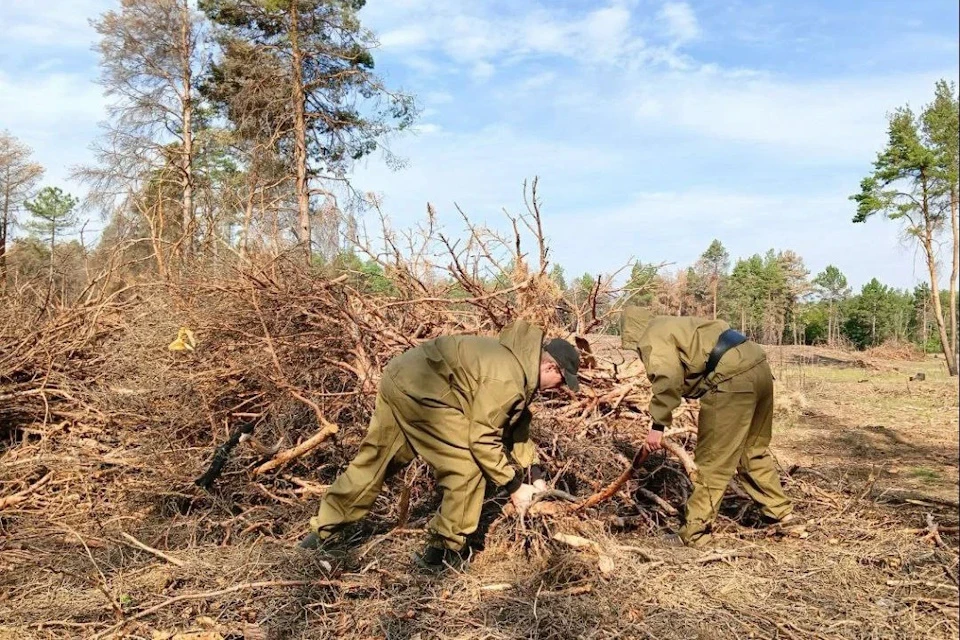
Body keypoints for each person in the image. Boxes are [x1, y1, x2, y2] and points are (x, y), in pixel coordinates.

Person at [300, 320, 580, 571]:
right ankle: (442, 553)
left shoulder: (514, 363)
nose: (559, 388)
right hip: (424, 389)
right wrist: (515, 487)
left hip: (401, 377)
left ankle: (321, 533)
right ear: (549, 366)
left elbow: (515, 427)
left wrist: (535, 474)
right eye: (561, 381)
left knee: (376, 461)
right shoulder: (508, 377)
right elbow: (482, 439)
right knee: (466, 467)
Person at [620, 307, 794, 548]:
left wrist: (658, 425)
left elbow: (668, 378)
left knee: (712, 460)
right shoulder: (672, 324)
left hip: (731, 378)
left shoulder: (651, 336)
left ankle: (694, 532)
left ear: (631, 331)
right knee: (753, 450)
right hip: (758, 365)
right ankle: (781, 515)